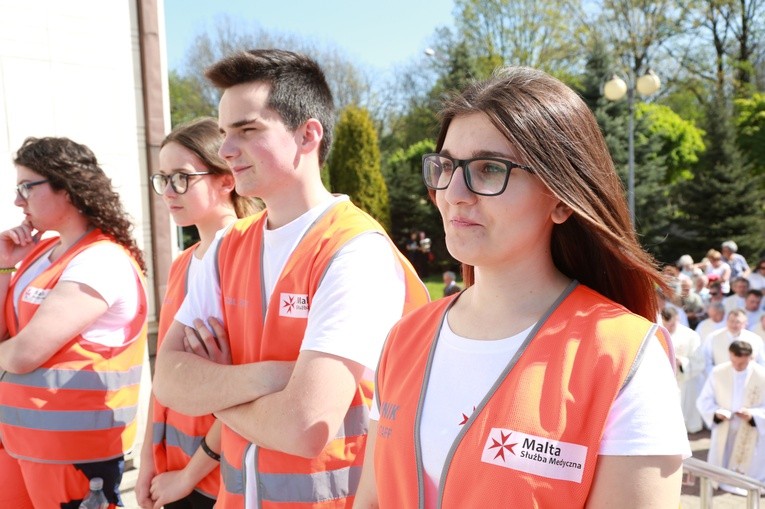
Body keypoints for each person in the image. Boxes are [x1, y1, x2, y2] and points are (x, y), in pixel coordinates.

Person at [354, 67, 688, 507]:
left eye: (489, 169)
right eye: (447, 166)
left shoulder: (625, 357)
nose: (453, 192)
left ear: (562, 200)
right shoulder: (404, 339)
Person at [152, 49, 430, 508]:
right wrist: (272, 378)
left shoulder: (355, 251)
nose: (225, 150)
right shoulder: (227, 246)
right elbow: (168, 380)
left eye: (247, 130)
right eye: (224, 133)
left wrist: (215, 387)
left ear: (308, 135)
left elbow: (304, 427)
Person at [0, 137, 148, 508]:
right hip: (20, 441)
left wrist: (11, 350)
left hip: (73, 453)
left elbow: (23, 355)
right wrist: (4, 264)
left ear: (66, 188)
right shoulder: (38, 254)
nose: (18, 200)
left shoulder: (102, 260)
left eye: (26, 188)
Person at [136, 118, 261, 509]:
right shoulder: (183, 263)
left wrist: (188, 477)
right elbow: (165, 380)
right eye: (162, 179)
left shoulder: (250, 257)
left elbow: (246, 384)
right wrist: (146, 464)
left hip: (216, 478)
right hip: (171, 470)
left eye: (182, 178)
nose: (168, 192)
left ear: (226, 179)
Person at [697, 340, 765, 495]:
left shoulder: (762, 375)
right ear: (730, 355)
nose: (737, 367)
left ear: (751, 358)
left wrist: (753, 415)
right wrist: (716, 413)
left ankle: (749, 480)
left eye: (742, 364)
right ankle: (722, 478)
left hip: (750, 428)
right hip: (725, 426)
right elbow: (704, 400)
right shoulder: (718, 372)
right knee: (723, 456)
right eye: (734, 362)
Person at [661, 307, 704, 433]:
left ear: (678, 319)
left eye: (672, 324)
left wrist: (682, 362)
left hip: (684, 380)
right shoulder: (657, 332)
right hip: (664, 379)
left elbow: (698, 361)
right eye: (666, 324)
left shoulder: (690, 335)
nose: (669, 327)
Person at [698, 308, 765, 378]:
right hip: (720, 378)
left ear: (745, 323)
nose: (734, 325)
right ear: (726, 321)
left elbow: (762, 361)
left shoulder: (755, 339)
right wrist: (716, 375)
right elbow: (706, 360)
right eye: (731, 321)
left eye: (738, 322)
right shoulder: (713, 337)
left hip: (748, 379)